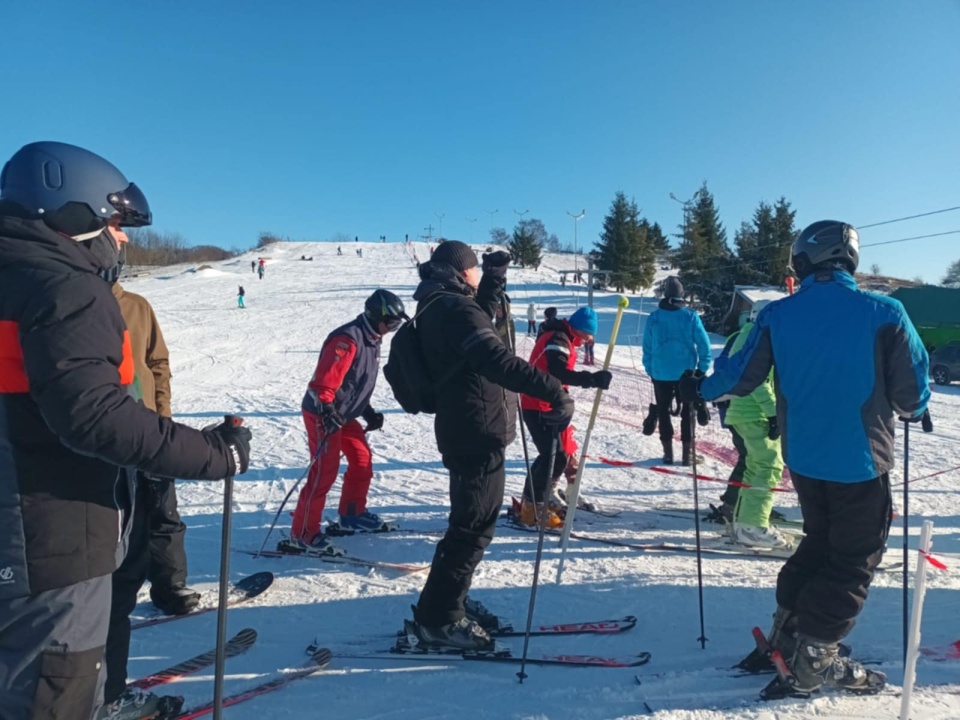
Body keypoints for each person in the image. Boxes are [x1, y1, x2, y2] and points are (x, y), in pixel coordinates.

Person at [0, 141, 252, 720]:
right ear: (73, 215)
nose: (125, 237)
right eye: (116, 221)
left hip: (22, 532)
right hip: (52, 539)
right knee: (53, 691)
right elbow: (94, 414)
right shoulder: (64, 288)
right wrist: (214, 455)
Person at [680, 220, 929, 695]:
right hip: (860, 462)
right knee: (854, 560)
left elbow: (738, 375)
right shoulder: (886, 312)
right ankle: (816, 655)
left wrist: (698, 389)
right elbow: (911, 394)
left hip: (806, 462)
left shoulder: (778, 315)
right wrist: (917, 409)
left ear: (805, 260)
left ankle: (788, 632)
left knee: (819, 543)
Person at [407, 240, 573, 650]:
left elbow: (479, 319)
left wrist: (495, 281)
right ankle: (440, 620)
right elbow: (495, 359)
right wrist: (554, 390)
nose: (479, 276)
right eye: (477, 271)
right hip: (475, 431)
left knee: (468, 524)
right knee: (472, 529)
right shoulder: (455, 310)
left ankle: (447, 603)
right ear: (464, 272)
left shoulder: (439, 304)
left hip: (467, 427)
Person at [280, 289, 406, 556]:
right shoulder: (347, 340)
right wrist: (326, 408)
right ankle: (303, 533)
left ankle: (352, 514)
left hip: (345, 413)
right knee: (324, 472)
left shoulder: (372, 338)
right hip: (322, 412)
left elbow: (353, 381)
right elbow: (324, 381)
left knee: (362, 460)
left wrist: (366, 409)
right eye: (391, 322)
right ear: (375, 316)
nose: (393, 329)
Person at [518, 307, 611, 528]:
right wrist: (591, 379)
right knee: (552, 456)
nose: (590, 338)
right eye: (589, 333)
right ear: (579, 329)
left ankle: (534, 501)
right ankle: (533, 506)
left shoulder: (563, 336)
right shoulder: (559, 338)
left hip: (549, 403)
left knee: (554, 456)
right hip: (538, 403)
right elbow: (557, 371)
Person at [715, 300, 789, 549]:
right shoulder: (756, 339)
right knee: (769, 466)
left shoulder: (748, 335)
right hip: (754, 412)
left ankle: (743, 521)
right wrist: (772, 412)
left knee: (754, 466)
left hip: (744, 412)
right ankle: (753, 526)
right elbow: (755, 380)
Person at [642, 276, 711, 465]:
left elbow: (647, 347)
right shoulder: (690, 316)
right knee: (688, 411)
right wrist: (701, 369)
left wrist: (650, 369)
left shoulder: (654, 318)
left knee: (663, 411)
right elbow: (704, 345)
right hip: (686, 374)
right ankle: (687, 455)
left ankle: (668, 454)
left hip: (660, 373)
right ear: (681, 296)